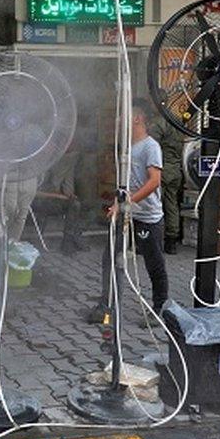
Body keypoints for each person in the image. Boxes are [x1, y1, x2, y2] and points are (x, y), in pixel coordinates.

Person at [88, 100, 168, 323]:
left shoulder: (150, 146)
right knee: (110, 258)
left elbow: (154, 182)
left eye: (124, 115)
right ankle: (107, 306)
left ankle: (161, 308)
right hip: (126, 214)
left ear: (138, 118)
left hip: (147, 217)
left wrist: (127, 203)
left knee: (154, 264)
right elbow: (126, 182)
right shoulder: (128, 147)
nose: (119, 119)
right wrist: (118, 202)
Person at [150, 114, 185, 254]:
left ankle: (152, 239)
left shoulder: (159, 122)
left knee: (154, 204)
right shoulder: (179, 124)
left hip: (161, 169)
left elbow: (150, 144)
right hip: (175, 170)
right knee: (172, 205)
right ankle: (171, 241)